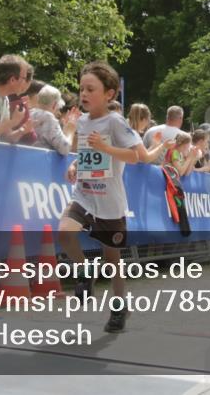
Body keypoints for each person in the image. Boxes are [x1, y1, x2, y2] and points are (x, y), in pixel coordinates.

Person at [59, 61, 149, 333]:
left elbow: (139, 157)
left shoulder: (115, 121)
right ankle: (85, 273)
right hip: (85, 194)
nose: (83, 94)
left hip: (109, 202)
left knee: (112, 260)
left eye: (90, 89)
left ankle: (120, 307)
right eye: (81, 89)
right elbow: (86, 154)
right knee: (64, 232)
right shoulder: (83, 121)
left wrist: (106, 147)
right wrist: (75, 166)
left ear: (109, 94)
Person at [31, 84, 80, 156]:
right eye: (58, 107)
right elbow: (65, 148)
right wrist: (70, 132)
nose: (58, 112)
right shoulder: (49, 118)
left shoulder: (30, 113)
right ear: (54, 105)